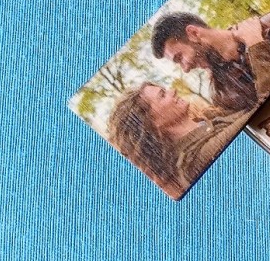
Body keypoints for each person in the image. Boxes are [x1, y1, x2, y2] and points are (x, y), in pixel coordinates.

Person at [151, 7, 270, 112]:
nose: (185, 68)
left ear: (194, 33)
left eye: (179, 57)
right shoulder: (221, 94)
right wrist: (256, 46)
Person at [107, 82, 250, 198]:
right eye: (163, 95)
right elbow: (250, 119)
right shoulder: (190, 161)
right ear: (152, 123)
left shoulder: (212, 116)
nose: (173, 91)